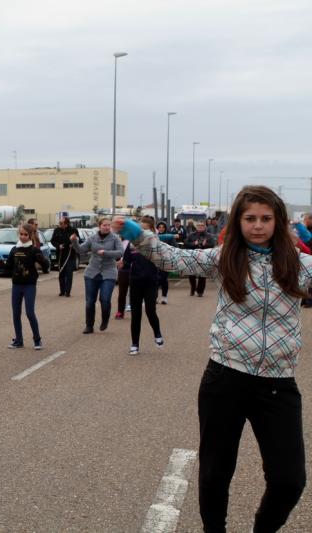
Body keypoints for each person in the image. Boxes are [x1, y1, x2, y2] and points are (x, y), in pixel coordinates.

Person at [113, 185, 309, 532]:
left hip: (278, 384)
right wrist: (139, 236)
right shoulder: (224, 258)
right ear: (238, 220)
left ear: (279, 222)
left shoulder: (300, 265)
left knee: (289, 481)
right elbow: (176, 259)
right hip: (225, 379)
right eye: (250, 218)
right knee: (215, 473)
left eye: (266, 218)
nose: (258, 226)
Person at [71, 217, 124, 334]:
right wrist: (74, 241)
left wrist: (106, 253)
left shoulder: (115, 238)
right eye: (104, 225)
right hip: (92, 272)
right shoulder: (92, 238)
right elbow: (80, 250)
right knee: (90, 301)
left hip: (109, 272)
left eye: (108, 225)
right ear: (99, 226)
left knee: (105, 299)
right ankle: (89, 325)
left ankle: (105, 320)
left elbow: (120, 252)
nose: (106, 227)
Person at [122, 216, 164, 355]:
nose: (142, 230)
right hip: (135, 281)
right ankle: (135, 344)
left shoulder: (155, 241)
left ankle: (157, 333)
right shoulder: (132, 243)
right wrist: (122, 263)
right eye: (140, 227)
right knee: (136, 314)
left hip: (151, 280)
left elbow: (161, 259)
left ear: (151, 228)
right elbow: (127, 261)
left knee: (150, 310)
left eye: (144, 227)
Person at [4, 223, 48, 349]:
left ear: (30, 236)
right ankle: (18, 340)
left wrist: (43, 261)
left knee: (29, 312)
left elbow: (45, 265)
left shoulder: (34, 250)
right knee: (16, 313)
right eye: (21, 234)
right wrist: (2, 265)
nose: (23, 237)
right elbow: (8, 266)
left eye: (25, 235)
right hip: (16, 285)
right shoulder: (14, 249)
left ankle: (37, 340)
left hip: (29, 285)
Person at [51, 217, 79, 297]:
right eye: (59, 223)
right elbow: (53, 240)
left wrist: (73, 244)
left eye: (61, 223)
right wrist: (58, 245)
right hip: (60, 254)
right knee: (61, 273)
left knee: (69, 273)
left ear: (66, 224)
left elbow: (78, 240)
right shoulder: (57, 230)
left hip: (70, 255)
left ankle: (68, 291)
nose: (59, 225)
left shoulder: (73, 230)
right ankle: (62, 291)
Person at [186, 220, 214, 297]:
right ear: (196, 227)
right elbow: (186, 244)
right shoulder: (191, 235)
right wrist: (193, 244)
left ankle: (200, 291)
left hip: (204, 257)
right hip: (193, 256)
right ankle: (193, 288)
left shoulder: (209, 235)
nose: (200, 227)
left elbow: (212, 245)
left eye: (202, 226)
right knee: (191, 274)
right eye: (199, 226)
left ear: (205, 227)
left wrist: (206, 244)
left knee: (202, 275)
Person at [155, 221, 175, 304]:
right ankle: (154, 297)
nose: (161, 229)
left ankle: (164, 297)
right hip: (155, 260)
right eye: (159, 227)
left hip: (166, 260)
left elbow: (174, 247)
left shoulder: (170, 237)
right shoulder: (154, 236)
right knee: (155, 279)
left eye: (163, 227)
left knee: (163, 279)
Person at [115, 241, 131, 320]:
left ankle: (135, 311)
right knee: (122, 293)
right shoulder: (123, 242)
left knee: (135, 293)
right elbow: (119, 256)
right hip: (124, 271)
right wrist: (120, 262)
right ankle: (120, 312)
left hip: (137, 271)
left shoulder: (140, 241)